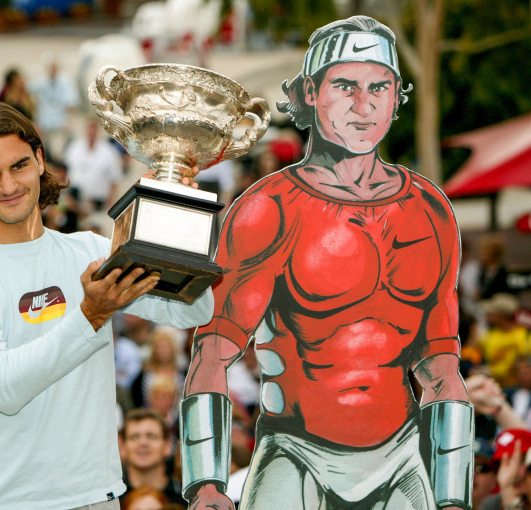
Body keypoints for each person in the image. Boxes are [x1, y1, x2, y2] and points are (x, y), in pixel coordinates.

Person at [179, 15, 472, 510]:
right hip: (295, 452)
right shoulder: (267, 208)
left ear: (397, 94)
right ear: (311, 92)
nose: (364, 105)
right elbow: (213, 353)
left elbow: (442, 368)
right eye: (345, 86)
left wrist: (453, 496)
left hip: (402, 457)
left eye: (379, 86)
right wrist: (205, 482)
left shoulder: (430, 209)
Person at [0, 102, 213, 509]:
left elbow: (192, 311)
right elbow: (3, 387)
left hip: (95, 496)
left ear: (39, 160)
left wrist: (173, 216)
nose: (8, 185)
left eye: (18, 165)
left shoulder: (88, 250)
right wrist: (91, 314)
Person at [119, 409, 186, 506]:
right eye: (135, 437)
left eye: (151, 436)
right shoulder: (112, 499)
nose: (143, 443)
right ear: (123, 447)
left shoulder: (186, 498)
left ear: (167, 445)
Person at [64, 120, 123, 212]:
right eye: (90, 128)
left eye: (94, 128)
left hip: (97, 202)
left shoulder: (110, 152)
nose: (92, 132)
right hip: (74, 199)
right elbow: (65, 169)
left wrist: (111, 201)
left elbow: (115, 179)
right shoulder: (74, 146)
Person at [29, 57, 78, 159]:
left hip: (60, 124)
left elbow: (71, 102)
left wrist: (69, 120)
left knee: (59, 154)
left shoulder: (65, 82)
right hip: (45, 124)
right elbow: (28, 90)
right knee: (46, 153)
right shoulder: (42, 82)